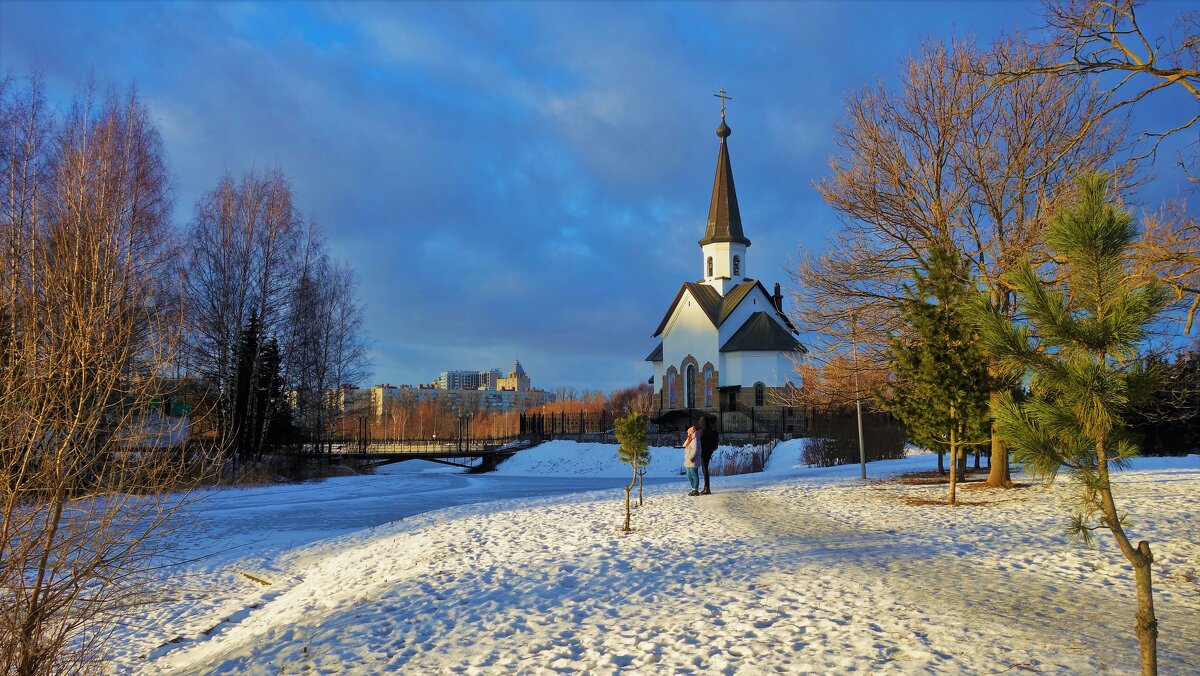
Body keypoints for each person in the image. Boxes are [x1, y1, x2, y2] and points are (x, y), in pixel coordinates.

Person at [695, 413, 718, 494]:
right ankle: (706, 487)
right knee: (705, 469)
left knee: (705, 469)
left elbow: (699, 442)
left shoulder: (702, 431)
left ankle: (707, 488)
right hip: (709, 452)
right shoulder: (712, 430)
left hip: (703, 452)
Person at [682, 426, 700, 496]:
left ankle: (696, 490)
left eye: (688, 433)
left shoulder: (695, 439)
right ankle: (693, 488)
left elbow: (695, 450)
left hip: (693, 460)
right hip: (688, 460)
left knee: (694, 475)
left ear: (691, 433)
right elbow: (684, 445)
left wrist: (691, 457)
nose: (687, 434)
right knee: (689, 475)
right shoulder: (690, 439)